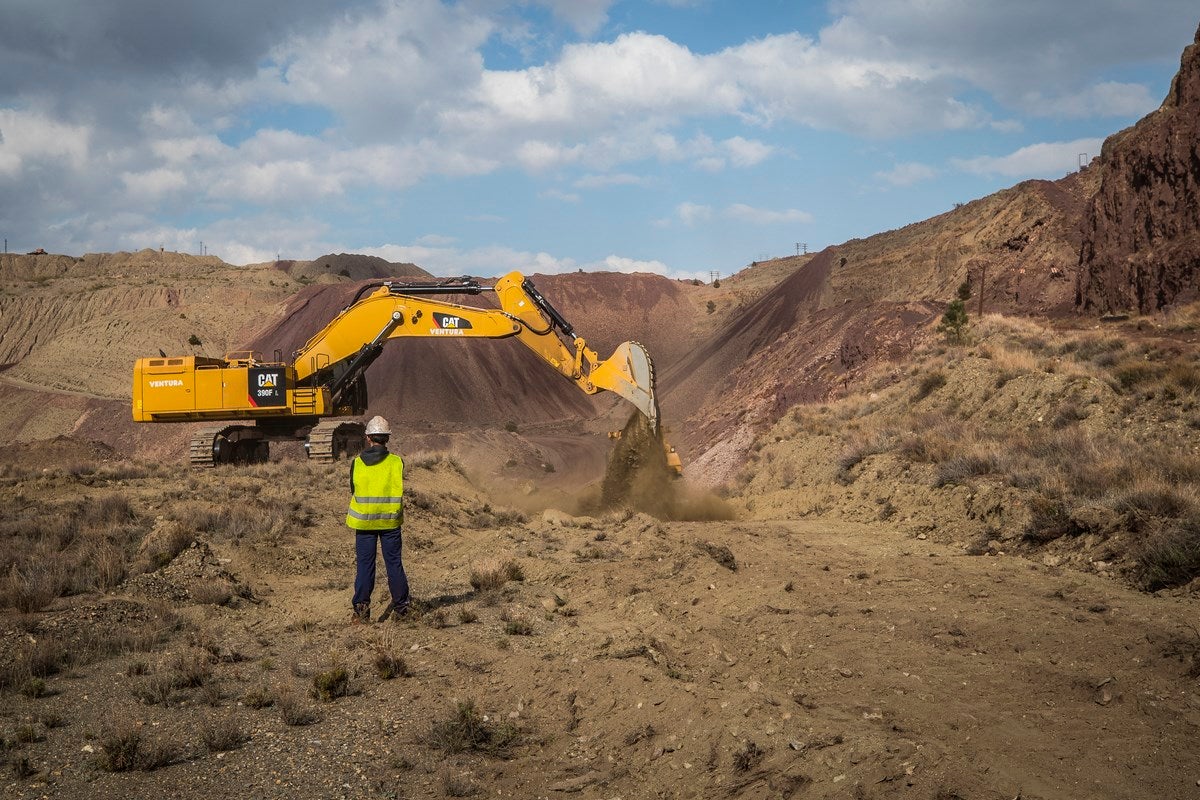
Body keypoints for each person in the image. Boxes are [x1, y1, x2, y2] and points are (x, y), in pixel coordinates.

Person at [346, 415, 409, 623]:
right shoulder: (397, 462)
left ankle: (361, 612)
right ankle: (402, 609)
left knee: (365, 566)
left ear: (368, 438)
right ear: (387, 438)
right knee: (394, 564)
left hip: (364, 523)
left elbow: (353, 490)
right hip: (390, 523)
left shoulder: (357, 464)